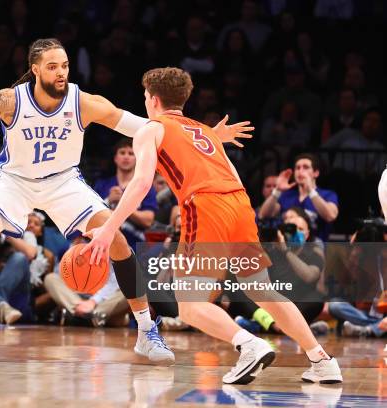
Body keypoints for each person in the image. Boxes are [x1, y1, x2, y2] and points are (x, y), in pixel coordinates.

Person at [0, 39, 245, 364]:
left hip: (64, 183)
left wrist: (206, 134)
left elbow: (152, 127)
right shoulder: (9, 101)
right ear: (35, 68)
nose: (61, 72)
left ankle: (146, 332)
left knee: (118, 242)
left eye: (65, 65)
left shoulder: (84, 102)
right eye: (53, 66)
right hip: (14, 182)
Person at [83, 67, 342, 384]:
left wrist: (109, 227)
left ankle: (249, 345)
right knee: (262, 290)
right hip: (240, 205)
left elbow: (140, 183)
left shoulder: (150, 129)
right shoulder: (203, 131)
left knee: (190, 306)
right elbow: (231, 175)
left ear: (151, 99)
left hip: (206, 207)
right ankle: (322, 360)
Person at [258, 153, 339, 242]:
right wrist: (277, 191)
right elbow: (263, 214)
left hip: (315, 248)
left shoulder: (327, 194)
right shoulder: (287, 195)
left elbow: (331, 215)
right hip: (286, 246)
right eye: (297, 168)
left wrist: (310, 191)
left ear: (316, 173)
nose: (300, 171)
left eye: (305, 167)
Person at [94, 138, 158, 248]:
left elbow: (148, 220)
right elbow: (90, 214)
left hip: (136, 245)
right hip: (104, 244)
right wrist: (108, 201)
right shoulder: (101, 185)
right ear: (115, 158)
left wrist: (124, 204)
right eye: (122, 152)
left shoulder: (145, 185)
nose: (126, 156)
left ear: (137, 159)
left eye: (131, 153)